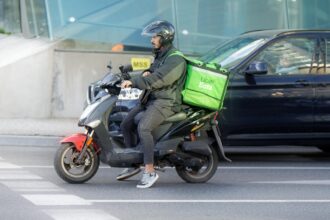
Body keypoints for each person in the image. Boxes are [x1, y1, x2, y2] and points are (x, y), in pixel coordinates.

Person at [117, 20, 187, 188]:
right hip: (152, 99)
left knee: (144, 127)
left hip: (166, 102)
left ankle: (149, 171)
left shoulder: (176, 59)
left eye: (155, 36)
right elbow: (151, 72)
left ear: (164, 37)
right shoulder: (161, 55)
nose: (152, 40)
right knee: (126, 124)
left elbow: (158, 79)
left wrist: (133, 82)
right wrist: (137, 72)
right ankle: (134, 163)